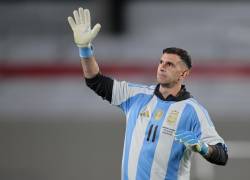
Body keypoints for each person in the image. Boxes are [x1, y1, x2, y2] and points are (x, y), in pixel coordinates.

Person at [67, 7, 228, 180]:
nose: (162, 66)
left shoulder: (193, 111)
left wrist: (203, 148)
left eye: (170, 64)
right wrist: (84, 49)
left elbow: (221, 154)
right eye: (161, 62)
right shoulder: (136, 95)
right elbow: (95, 81)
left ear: (183, 74)